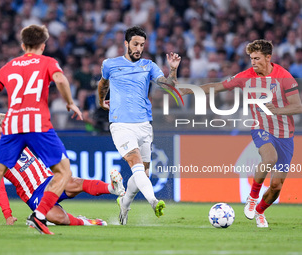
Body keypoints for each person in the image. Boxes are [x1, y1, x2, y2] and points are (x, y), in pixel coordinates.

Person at [0, 25, 82, 235]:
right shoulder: (48, 62)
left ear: (22, 45)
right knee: (64, 171)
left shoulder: (9, 66)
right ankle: (39, 217)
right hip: (38, 124)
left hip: (12, 125)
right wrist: (70, 102)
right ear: (43, 45)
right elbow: (60, 79)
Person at [179, 39, 302, 228]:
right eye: (251, 58)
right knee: (269, 158)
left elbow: (297, 106)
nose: (253, 62)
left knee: (276, 187)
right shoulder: (246, 76)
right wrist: (190, 89)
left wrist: (276, 110)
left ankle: (260, 211)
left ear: (268, 58)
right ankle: (252, 197)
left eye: (257, 58)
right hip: (260, 127)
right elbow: (217, 86)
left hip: (285, 134)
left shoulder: (284, 77)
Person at [98, 26, 181, 225]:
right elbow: (103, 84)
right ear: (126, 44)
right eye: (135, 44)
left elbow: (169, 86)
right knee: (135, 164)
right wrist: (102, 101)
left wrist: (174, 69)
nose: (138, 48)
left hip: (144, 124)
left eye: (142, 45)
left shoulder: (148, 66)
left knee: (143, 173)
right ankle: (154, 202)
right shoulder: (110, 64)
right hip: (121, 124)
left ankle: (124, 205)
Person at [0, 113, 125, 227]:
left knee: (74, 183)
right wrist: (8, 215)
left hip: (50, 180)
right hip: (34, 195)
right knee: (58, 218)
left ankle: (111, 188)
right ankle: (84, 221)